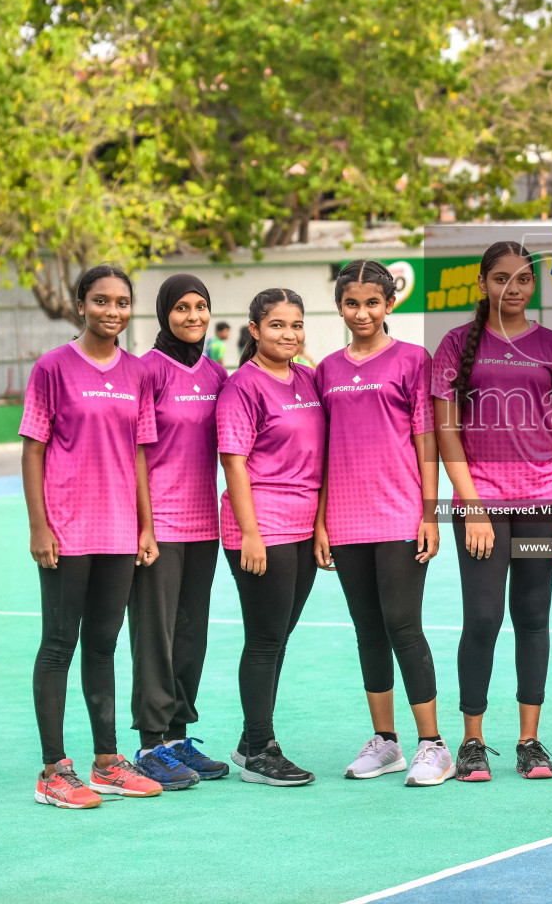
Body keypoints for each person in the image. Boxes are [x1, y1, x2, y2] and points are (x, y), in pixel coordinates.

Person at [433, 242, 552, 782]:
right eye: (501, 279)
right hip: (482, 505)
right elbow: (446, 432)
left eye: (522, 281)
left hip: (544, 502)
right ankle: (472, 741)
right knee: (482, 618)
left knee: (532, 617)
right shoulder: (454, 345)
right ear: (482, 284)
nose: (512, 289)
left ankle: (529, 740)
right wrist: (471, 506)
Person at [22, 264, 163, 809]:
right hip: (66, 528)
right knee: (60, 644)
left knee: (103, 645)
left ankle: (107, 762)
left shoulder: (138, 373)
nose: (113, 311)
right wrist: (40, 526)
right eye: (101, 301)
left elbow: (139, 454)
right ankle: (54, 771)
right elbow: (33, 448)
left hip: (119, 532)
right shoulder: (52, 368)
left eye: (122, 302)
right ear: (81, 305)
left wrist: (145, 525)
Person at [317, 260, 451, 787]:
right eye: (353, 303)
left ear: (390, 305)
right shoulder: (325, 369)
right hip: (346, 521)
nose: (363, 312)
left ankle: (432, 744)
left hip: (399, 513)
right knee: (367, 630)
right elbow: (323, 449)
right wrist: (324, 520)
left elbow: (427, 442)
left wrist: (429, 513)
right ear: (340, 306)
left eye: (373, 302)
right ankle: (386, 742)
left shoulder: (413, 360)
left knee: (403, 625)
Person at [216, 288, 325, 787]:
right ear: (255, 330)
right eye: (277, 325)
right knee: (264, 639)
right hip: (262, 527)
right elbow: (233, 463)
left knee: (278, 637)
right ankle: (260, 747)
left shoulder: (308, 378)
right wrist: (251, 534)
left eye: (296, 325)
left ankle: (250, 741)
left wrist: (322, 523)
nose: (289, 334)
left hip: (303, 527)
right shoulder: (243, 386)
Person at [128, 274, 231, 789]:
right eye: (182, 308)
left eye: (201, 307)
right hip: (158, 527)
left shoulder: (217, 374)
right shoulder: (147, 372)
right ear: (164, 313)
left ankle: (175, 738)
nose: (193, 317)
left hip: (202, 526)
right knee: (156, 635)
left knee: (191, 635)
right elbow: (138, 454)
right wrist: (144, 525)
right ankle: (149, 744)